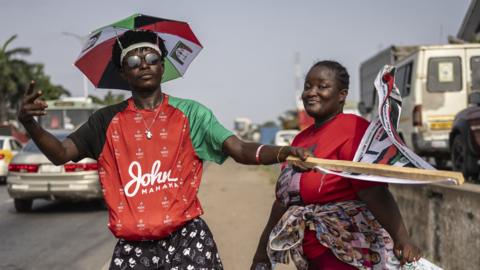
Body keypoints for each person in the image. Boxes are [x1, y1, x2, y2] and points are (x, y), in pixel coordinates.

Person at [17, 29, 310, 270]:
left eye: (151, 57)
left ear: (163, 65)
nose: (143, 64)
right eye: (133, 61)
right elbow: (60, 153)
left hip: (189, 243)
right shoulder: (105, 121)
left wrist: (282, 152)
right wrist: (29, 123)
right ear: (122, 73)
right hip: (133, 251)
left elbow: (240, 149)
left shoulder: (191, 114)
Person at [250, 60, 421, 270]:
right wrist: (262, 253)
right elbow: (283, 201)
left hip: (348, 254)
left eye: (322, 86)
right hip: (313, 252)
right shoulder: (300, 140)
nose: (311, 92)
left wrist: (401, 237)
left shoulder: (354, 129)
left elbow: (373, 191)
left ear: (342, 95)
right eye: (307, 86)